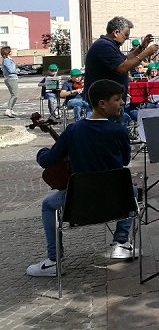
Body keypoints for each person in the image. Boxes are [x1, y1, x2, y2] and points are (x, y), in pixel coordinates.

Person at [28, 79, 134, 276]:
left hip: (80, 204)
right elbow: (125, 161)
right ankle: (121, 242)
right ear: (103, 104)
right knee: (132, 191)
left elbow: (48, 160)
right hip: (115, 201)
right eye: (118, 99)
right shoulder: (119, 131)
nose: (122, 103)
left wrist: (41, 152)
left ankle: (53, 261)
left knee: (48, 204)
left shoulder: (73, 130)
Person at [84, 17, 159, 118]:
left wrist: (142, 48)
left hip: (111, 101)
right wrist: (145, 53)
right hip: (106, 103)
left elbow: (126, 59)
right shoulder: (104, 46)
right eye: (126, 35)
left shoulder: (109, 44)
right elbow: (122, 67)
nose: (127, 38)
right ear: (116, 32)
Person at [1, 46, 19, 118]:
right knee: (15, 95)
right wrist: (18, 70)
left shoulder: (8, 60)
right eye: (10, 50)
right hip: (10, 79)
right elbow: (11, 70)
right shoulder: (6, 60)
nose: (11, 51)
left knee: (14, 95)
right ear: (7, 51)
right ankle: (8, 110)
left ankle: (10, 109)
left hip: (11, 78)